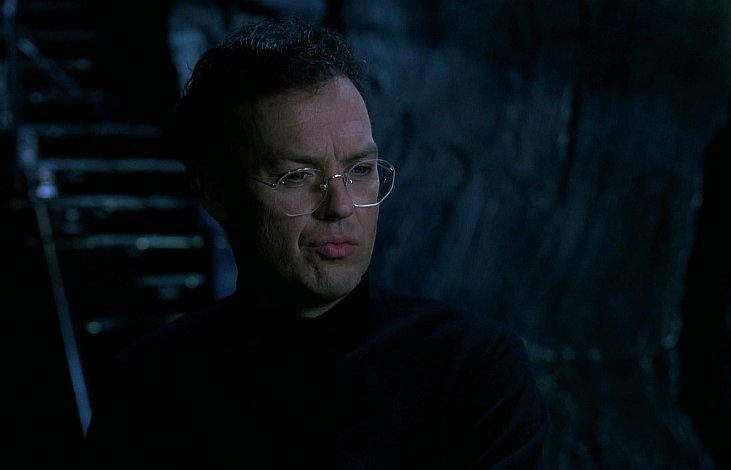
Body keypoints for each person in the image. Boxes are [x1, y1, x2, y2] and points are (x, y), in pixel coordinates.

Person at [82, 16, 550, 469]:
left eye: (360, 170)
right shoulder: (145, 388)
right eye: (298, 176)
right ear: (218, 193)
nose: (340, 206)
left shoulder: (474, 370)